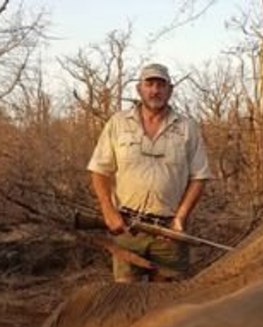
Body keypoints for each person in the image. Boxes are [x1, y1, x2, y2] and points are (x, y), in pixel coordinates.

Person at [88, 62, 213, 282]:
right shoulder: (118, 123)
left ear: (170, 90)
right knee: (126, 300)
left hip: (169, 235)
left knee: (170, 305)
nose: (155, 90)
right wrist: (108, 212)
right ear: (139, 89)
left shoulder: (187, 128)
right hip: (127, 230)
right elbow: (99, 171)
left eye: (161, 85)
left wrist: (180, 219)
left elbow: (199, 176)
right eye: (150, 84)